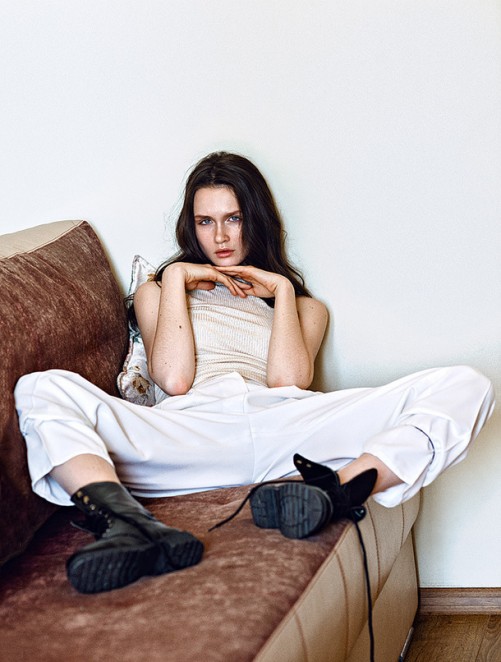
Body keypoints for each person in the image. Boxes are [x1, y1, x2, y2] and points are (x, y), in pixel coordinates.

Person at [14, 152, 495, 595]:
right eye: (205, 221)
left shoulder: (304, 308)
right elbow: (174, 380)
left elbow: (288, 382)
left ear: (255, 220)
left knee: (466, 385)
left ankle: (331, 491)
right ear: (191, 227)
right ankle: (128, 525)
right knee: (40, 388)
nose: (220, 237)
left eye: (234, 218)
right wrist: (177, 278)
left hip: (284, 429)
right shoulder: (159, 292)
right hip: (190, 433)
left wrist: (281, 291)